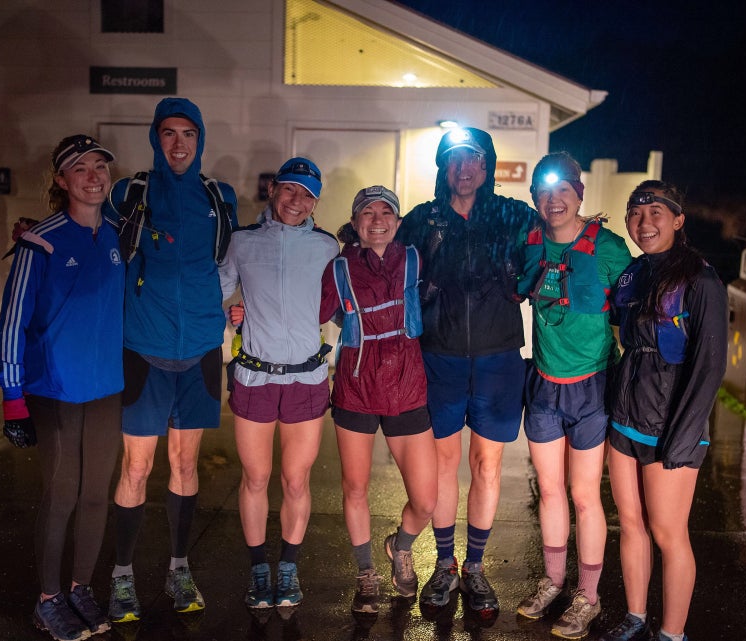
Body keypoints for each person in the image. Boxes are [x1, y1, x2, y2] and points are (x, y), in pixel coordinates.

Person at [103, 97, 239, 621]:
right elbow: (95, 239)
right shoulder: (129, 191)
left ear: (200, 139)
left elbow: (233, 260)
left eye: (188, 134)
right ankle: (121, 577)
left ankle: (179, 567)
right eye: (168, 133)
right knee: (137, 466)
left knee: (185, 463)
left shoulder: (218, 195)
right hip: (144, 348)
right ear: (155, 138)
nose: (178, 143)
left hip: (202, 349)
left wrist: (239, 305)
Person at [395, 127, 538, 617]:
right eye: (454, 158)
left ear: (487, 164)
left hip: (498, 358)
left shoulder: (515, 215)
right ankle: (444, 564)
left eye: (473, 158)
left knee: (487, 465)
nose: (463, 168)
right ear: (444, 166)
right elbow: (382, 267)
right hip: (441, 356)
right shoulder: (420, 220)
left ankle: (475, 567)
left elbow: (554, 254)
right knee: (441, 467)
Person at [0, 135, 124, 641]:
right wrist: (12, 398)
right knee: (62, 493)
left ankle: (80, 589)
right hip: (55, 390)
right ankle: (47, 599)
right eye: (81, 169)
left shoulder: (117, 237)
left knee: (96, 495)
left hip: (106, 388)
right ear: (61, 180)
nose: (93, 176)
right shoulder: (39, 241)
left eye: (99, 167)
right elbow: (12, 324)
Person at [599, 181, 727, 641]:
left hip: (669, 427)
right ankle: (635, 618)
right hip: (624, 421)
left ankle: (672, 634)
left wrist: (685, 433)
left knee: (668, 533)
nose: (643, 221)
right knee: (630, 524)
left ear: (677, 220)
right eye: (635, 213)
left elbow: (711, 364)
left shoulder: (700, 278)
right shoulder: (633, 274)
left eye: (655, 212)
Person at [514, 152, 632, 639]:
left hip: (591, 388)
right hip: (543, 385)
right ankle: (554, 581)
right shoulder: (529, 242)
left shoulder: (610, 249)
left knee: (585, 494)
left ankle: (587, 594)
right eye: (544, 191)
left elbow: (636, 314)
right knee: (550, 490)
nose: (554, 199)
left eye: (564, 190)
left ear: (579, 193)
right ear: (535, 198)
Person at [219, 157, 339, 609]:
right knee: (255, 476)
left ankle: (287, 568)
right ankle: (257, 570)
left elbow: (342, 303)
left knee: (295, 479)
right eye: (289, 189)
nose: (296, 201)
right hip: (255, 377)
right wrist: (227, 323)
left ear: (315, 203)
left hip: (307, 377)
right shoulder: (242, 242)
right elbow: (217, 289)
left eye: (307, 195)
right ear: (273, 190)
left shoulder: (328, 248)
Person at [318, 186, 437, 615]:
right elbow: (308, 311)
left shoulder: (416, 259)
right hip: (355, 386)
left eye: (386, 211)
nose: (377, 219)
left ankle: (399, 546)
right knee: (355, 487)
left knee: (426, 500)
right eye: (367, 212)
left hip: (407, 386)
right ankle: (366, 574)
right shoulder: (338, 267)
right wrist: (246, 313)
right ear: (355, 224)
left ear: (398, 221)